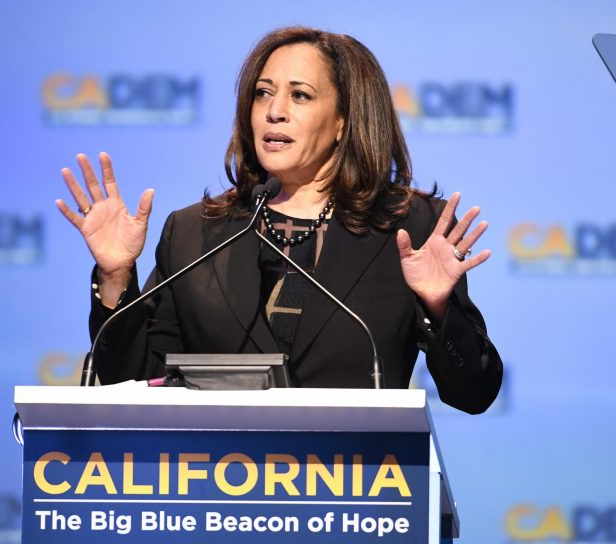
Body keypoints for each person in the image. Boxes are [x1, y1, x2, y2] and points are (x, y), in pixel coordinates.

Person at [56, 26, 502, 414]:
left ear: (344, 120)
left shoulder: (406, 229)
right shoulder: (194, 235)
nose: (275, 110)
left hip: (362, 499)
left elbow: (472, 393)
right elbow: (136, 383)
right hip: (221, 497)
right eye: (263, 93)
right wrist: (116, 278)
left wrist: (440, 309)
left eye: (300, 95)